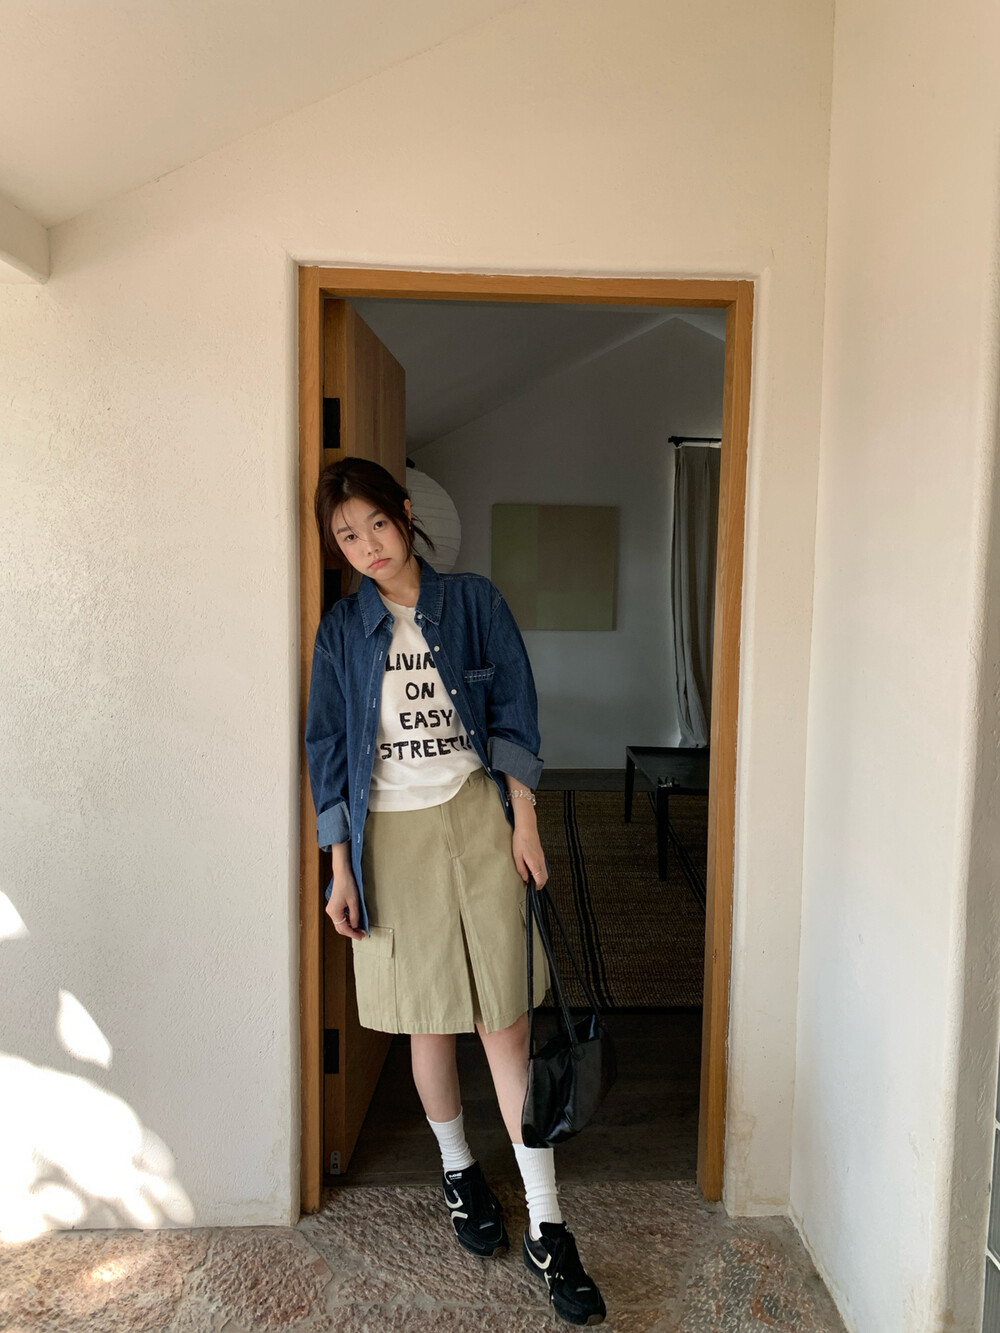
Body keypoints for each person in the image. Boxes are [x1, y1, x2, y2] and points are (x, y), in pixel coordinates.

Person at [304, 456, 606, 1327]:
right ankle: (459, 1171)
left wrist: (525, 823)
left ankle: (548, 1223)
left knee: (504, 1018)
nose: (366, 545)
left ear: (405, 513)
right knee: (428, 1017)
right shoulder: (341, 630)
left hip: (478, 818)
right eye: (346, 535)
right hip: (389, 837)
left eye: (375, 523)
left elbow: (515, 710)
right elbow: (328, 751)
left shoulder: (473, 602)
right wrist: (338, 866)